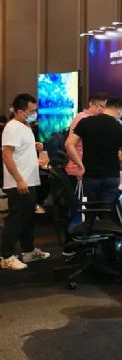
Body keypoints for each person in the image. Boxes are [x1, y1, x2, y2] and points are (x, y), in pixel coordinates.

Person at [65, 97, 122, 220]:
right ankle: (104, 229)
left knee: (89, 210)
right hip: (111, 177)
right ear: (119, 110)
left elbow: (69, 144)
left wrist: (80, 165)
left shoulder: (85, 122)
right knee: (106, 211)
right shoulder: (120, 129)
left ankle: (89, 229)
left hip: (89, 176)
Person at [1, 94, 50, 270]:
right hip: (19, 182)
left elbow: (20, 152)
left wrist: (35, 146)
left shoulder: (25, 126)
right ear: (20, 111)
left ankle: (28, 251)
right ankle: (6, 256)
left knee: (27, 219)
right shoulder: (12, 127)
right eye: (31, 110)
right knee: (16, 219)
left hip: (29, 180)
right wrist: (19, 179)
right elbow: (7, 155)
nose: (34, 113)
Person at [65, 92, 109, 187]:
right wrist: (80, 165)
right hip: (80, 169)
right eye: (103, 107)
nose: (103, 110)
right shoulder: (83, 119)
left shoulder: (91, 119)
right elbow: (69, 144)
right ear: (94, 104)